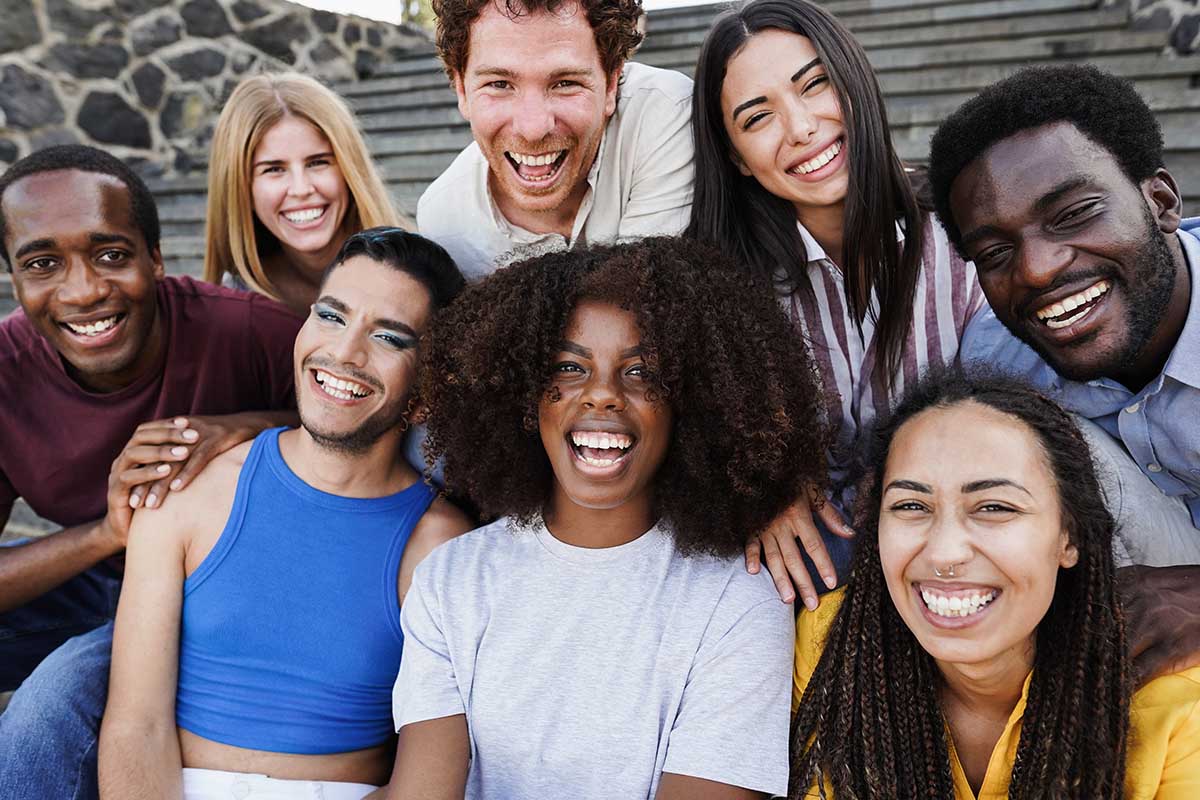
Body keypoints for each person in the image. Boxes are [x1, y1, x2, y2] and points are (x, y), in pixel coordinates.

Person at [386, 237, 823, 799]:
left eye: (642, 373)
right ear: (524, 394)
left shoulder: (737, 598)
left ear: (695, 401)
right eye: (569, 367)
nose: (602, 395)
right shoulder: (453, 579)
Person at [99, 228, 473, 799]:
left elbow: (425, 783)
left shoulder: (441, 547)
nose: (344, 353)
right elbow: (135, 725)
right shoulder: (189, 491)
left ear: (427, 394)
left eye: (388, 337)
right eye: (331, 316)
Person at [0, 145, 302, 800]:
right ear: (14, 280)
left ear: (156, 258)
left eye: (111, 254)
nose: (84, 290)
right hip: (92, 578)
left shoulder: (250, 331)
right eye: (42, 264)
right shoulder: (5, 371)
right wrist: (106, 534)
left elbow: (380, 420)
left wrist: (248, 425)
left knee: (44, 710)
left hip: (216, 593)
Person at [686, 0, 986, 609]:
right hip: (825, 543)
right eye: (757, 117)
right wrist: (759, 487)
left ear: (854, 80)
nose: (800, 127)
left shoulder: (966, 230)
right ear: (737, 157)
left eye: (814, 84)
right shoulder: (726, 286)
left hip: (963, 515)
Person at [789, 371, 1200, 799]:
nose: (945, 553)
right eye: (911, 505)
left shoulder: (1179, 710)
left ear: (1069, 536)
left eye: (994, 507)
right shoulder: (833, 646)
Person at [928, 65, 1200, 678]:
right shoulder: (996, 358)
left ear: (1160, 202)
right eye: (995, 252)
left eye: (1073, 214)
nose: (1037, 269)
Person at [418, 0, 695, 280]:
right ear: (462, 91)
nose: (533, 130)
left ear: (611, 84)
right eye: (499, 84)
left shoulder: (664, 110)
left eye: (565, 83)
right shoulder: (443, 221)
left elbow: (640, 295)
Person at [203, 72, 404, 314]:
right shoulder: (233, 305)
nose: (301, 189)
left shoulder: (419, 276)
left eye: (318, 162)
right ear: (241, 188)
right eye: (274, 169)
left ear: (350, 170)